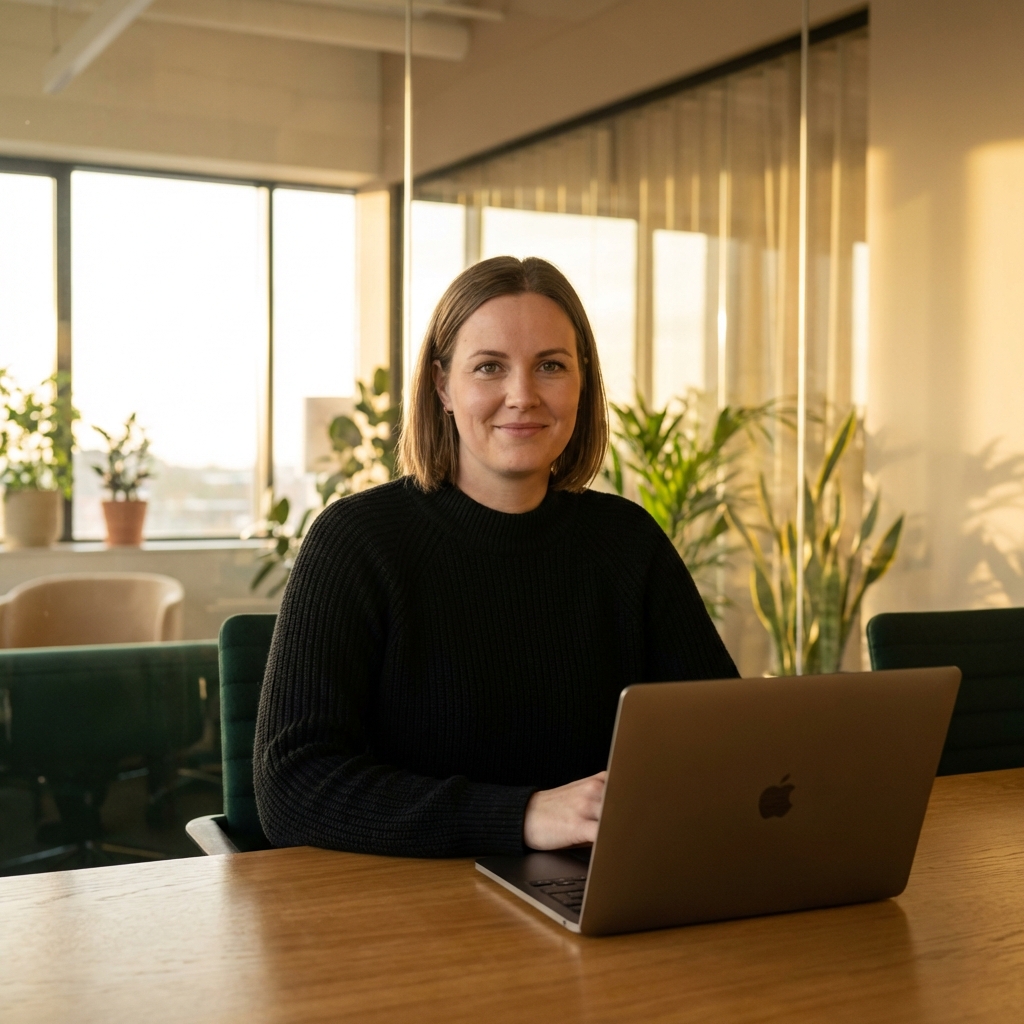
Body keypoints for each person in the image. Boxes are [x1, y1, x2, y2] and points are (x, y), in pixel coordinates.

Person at [254, 256, 738, 858]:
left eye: (551, 367)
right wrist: (525, 815)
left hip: (596, 897)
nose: (522, 396)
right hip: (409, 913)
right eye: (489, 367)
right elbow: (293, 788)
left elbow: (726, 741)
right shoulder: (357, 541)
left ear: (582, 381)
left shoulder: (628, 542)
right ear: (442, 386)